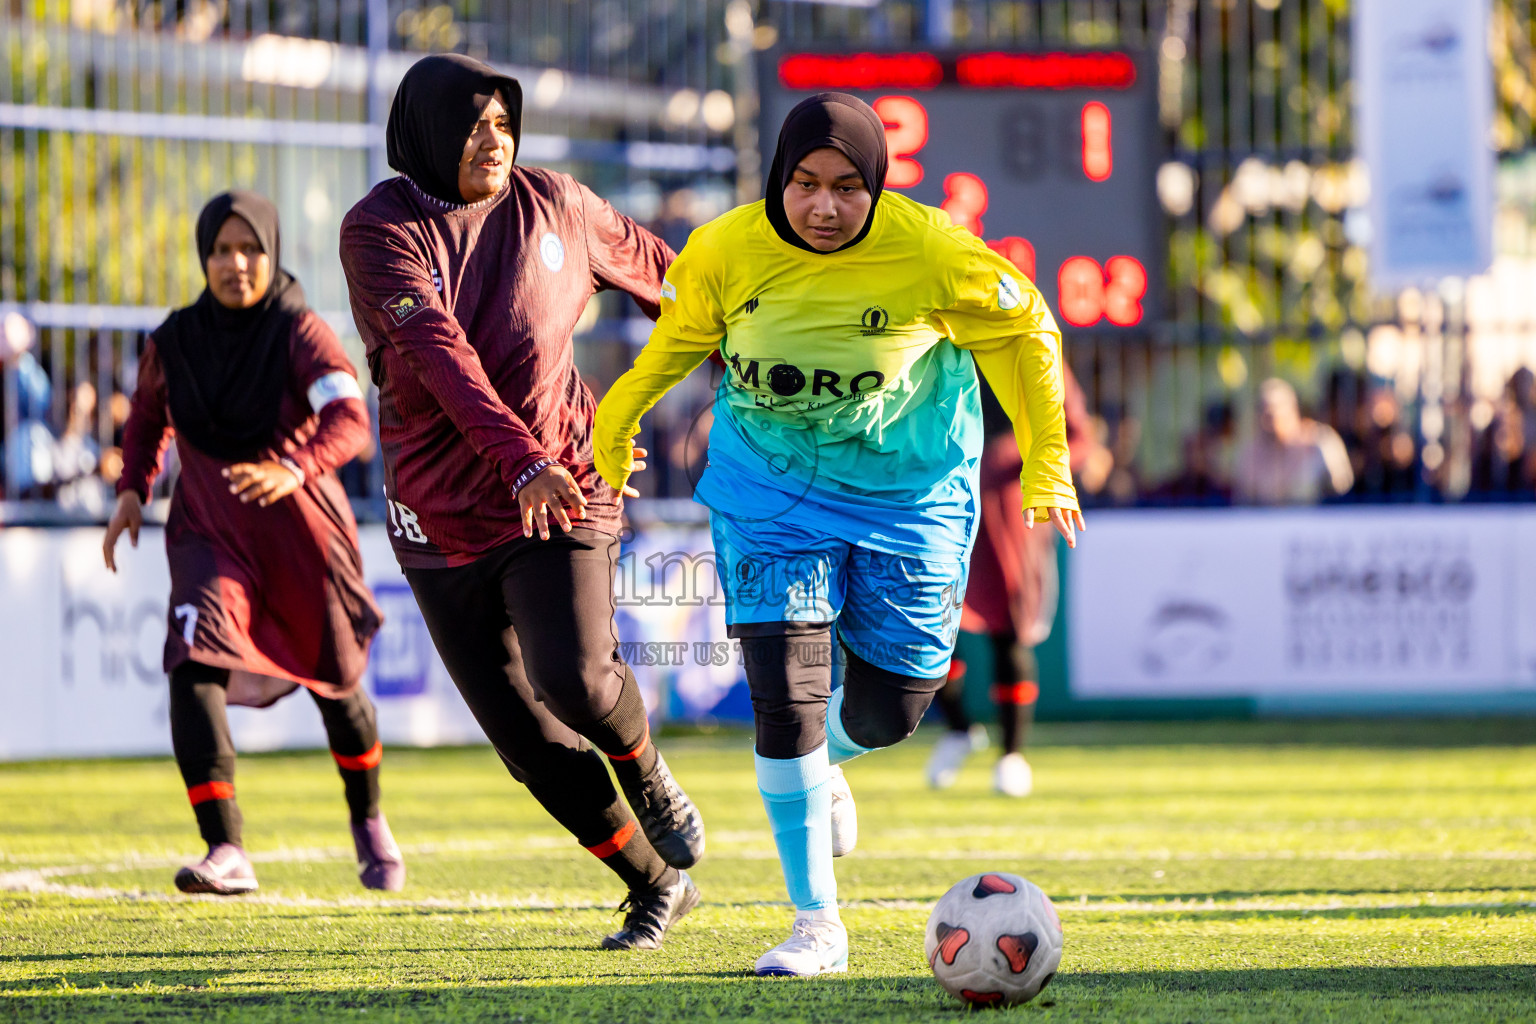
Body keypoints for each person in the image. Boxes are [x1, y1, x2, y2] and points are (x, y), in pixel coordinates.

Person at [594, 93, 1083, 977]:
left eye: (848, 188)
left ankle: (826, 761)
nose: (824, 206)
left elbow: (1029, 327)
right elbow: (677, 341)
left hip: (909, 489)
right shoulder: (725, 249)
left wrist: (1048, 461)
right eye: (806, 184)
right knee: (784, 701)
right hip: (768, 486)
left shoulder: (933, 250)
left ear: (878, 187)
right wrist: (618, 416)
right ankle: (816, 924)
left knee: (892, 708)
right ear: (778, 179)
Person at [338, 54, 703, 952]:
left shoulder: (560, 205)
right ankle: (655, 886)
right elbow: (439, 354)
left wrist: (720, 384)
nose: (492, 141)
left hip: (562, 485)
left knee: (575, 681)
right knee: (526, 743)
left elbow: (680, 290)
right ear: (427, 132)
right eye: (472, 126)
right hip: (439, 518)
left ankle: (646, 769)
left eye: (504, 124)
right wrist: (516, 458)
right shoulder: (379, 229)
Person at [104, 190, 399, 896]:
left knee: (340, 690)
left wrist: (294, 468)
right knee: (192, 662)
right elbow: (146, 417)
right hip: (211, 535)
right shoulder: (174, 341)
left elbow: (351, 420)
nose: (235, 264)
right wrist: (132, 489)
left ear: (272, 253)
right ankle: (225, 848)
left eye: (250, 249)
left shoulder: (302, 332)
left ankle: (368, 819)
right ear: (203, 257)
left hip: (303, 540)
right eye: (220, 250)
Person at [925, 369, 1096, 797]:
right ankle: (958, 729)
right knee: (931, 623)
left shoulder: (1033, 349)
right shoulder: (941, 342)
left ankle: (1012, 755)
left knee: (1010, 631)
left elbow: (1076, 436)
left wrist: (1025, 460)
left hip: (1008, 509)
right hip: (940, 496)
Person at [1232, 377, 1353, 504]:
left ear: (1292, 408)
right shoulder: (1250, 455)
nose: (1267, 416)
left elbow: (1342, 492)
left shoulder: (1321, 442)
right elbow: (1243, 503)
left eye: (1274, 409)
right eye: (1262, 409)